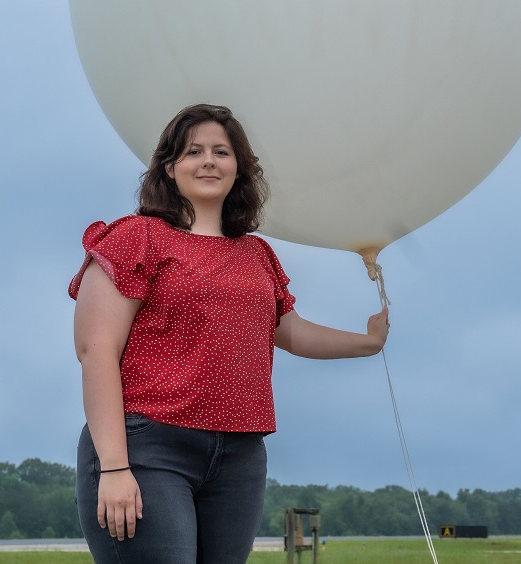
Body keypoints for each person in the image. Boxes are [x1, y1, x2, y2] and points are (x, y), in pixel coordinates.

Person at [69, 103, 389, 563]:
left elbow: (289, 331)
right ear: (169, 167)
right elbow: (95, 349)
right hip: (147, 447)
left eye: (221, 151)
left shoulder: (255, 253)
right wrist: (115, 467)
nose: (208, 161)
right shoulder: (136, 237)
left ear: (239, 167)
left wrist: (368, 343)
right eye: (193, 151)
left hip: (240, 456)